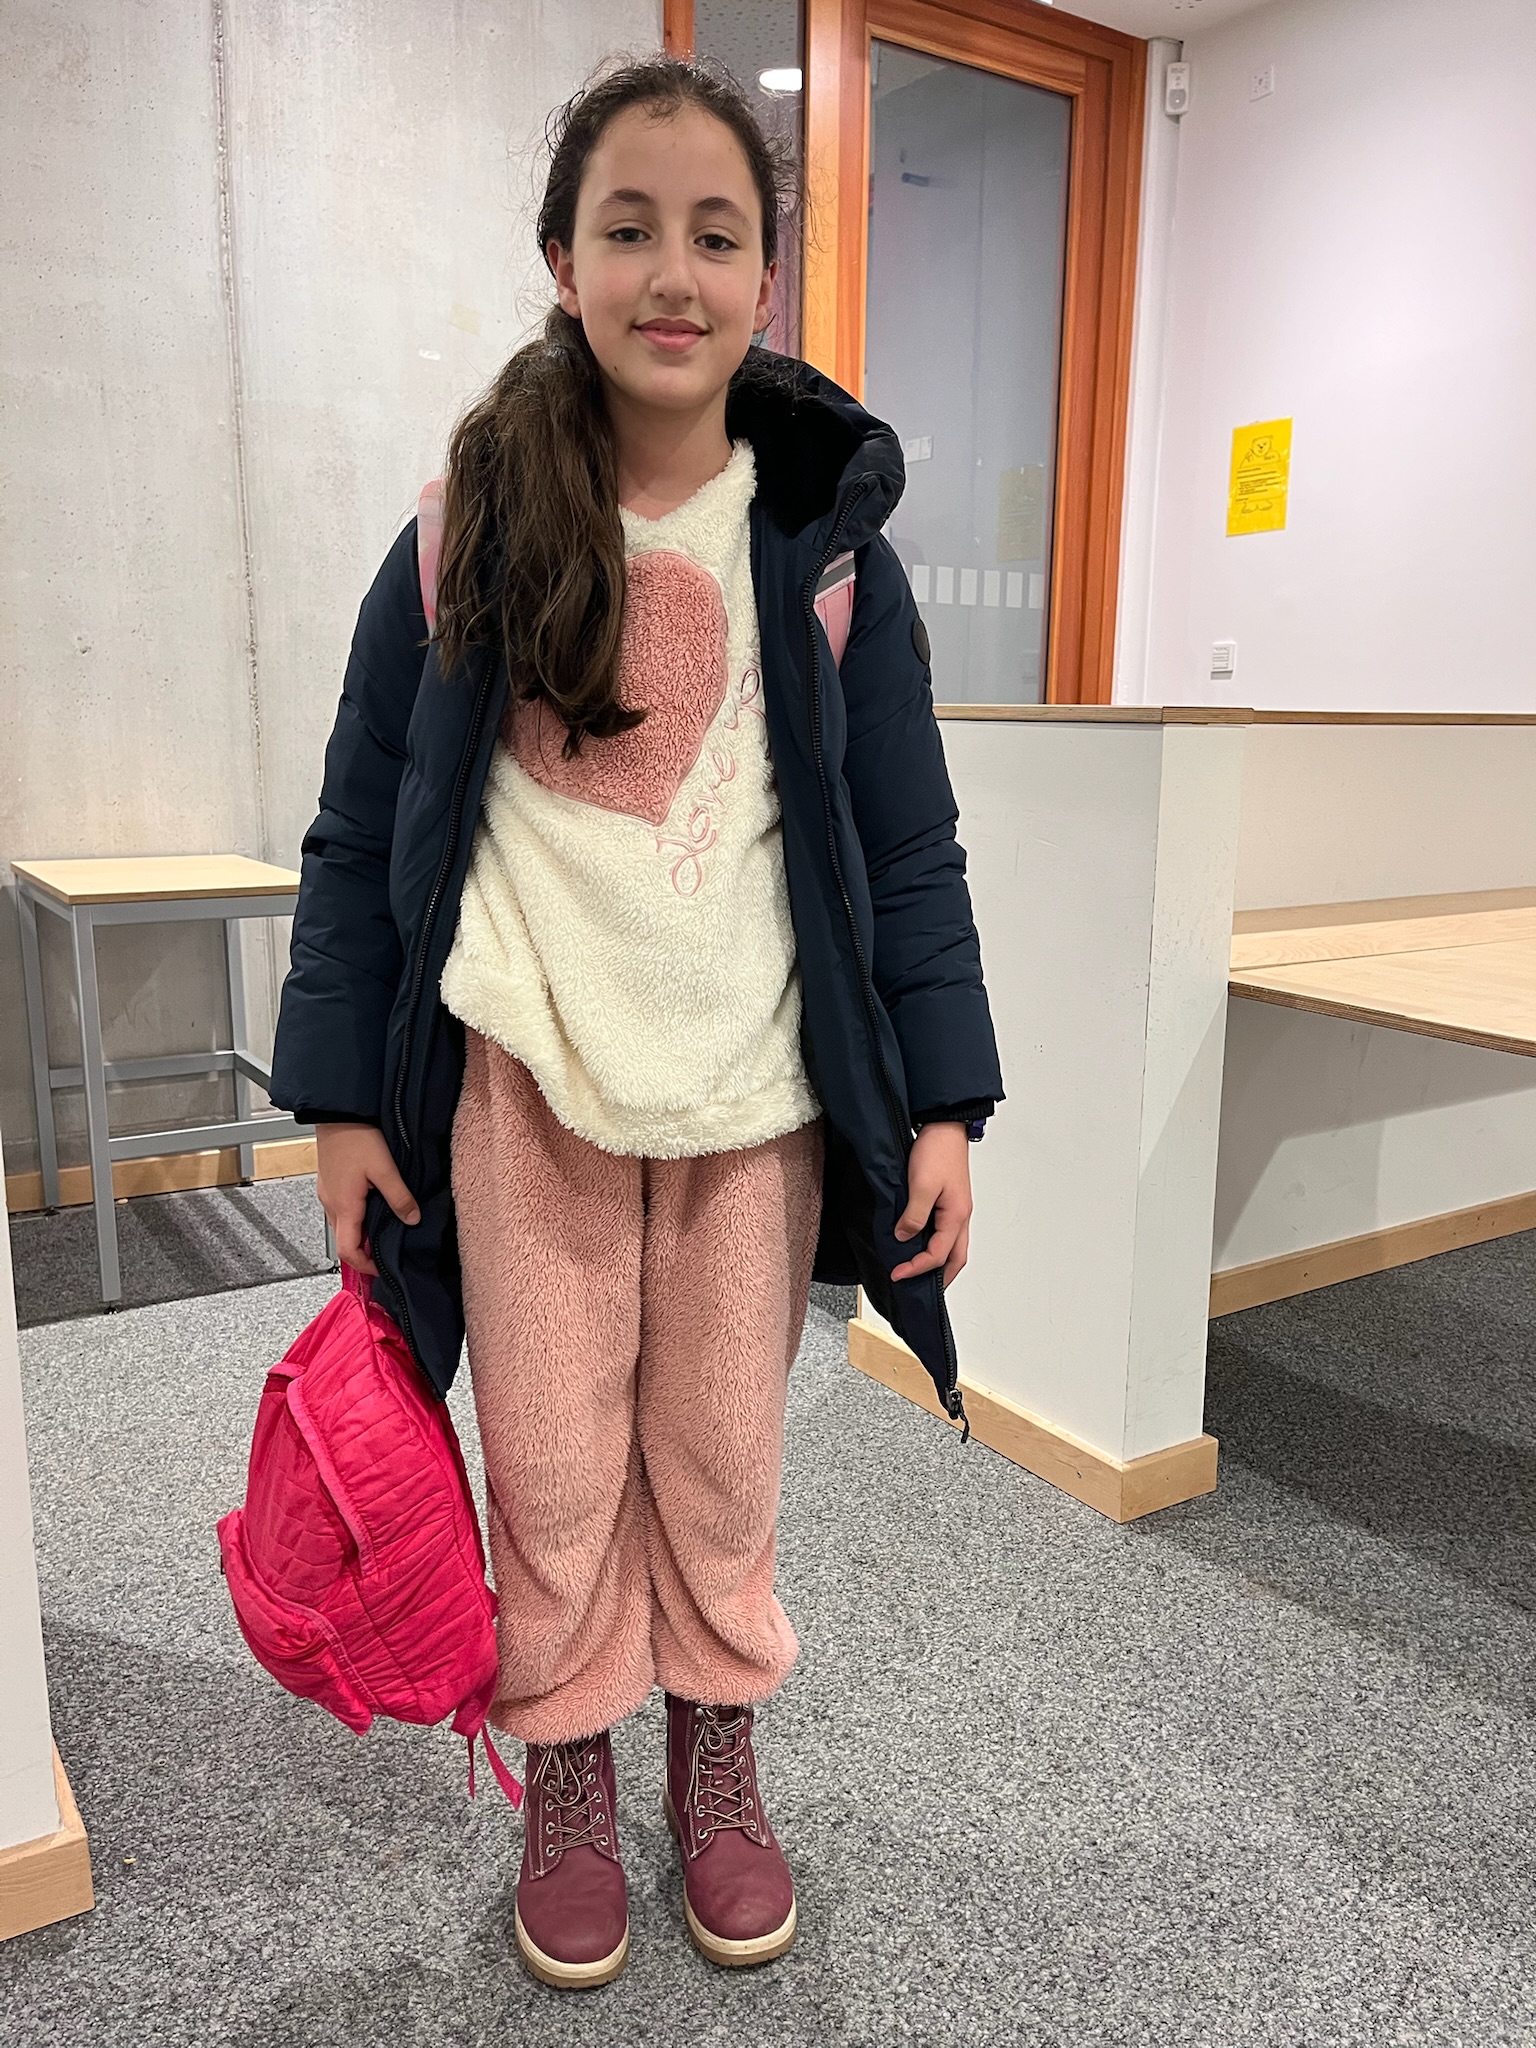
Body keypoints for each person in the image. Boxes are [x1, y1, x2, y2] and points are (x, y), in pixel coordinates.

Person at [269, 53, 1002, 1992]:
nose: (674, 272)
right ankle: (572, 1757)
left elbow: (907, 845)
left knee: (718, 1449)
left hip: (753, 1097)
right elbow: (360, 823)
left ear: (766, 275)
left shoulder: (828, 552)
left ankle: (718, 1735)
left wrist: (944, 1100)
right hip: (529, 1090)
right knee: (554, 1454)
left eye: (717, 233)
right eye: (629, 227)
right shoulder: (468, 531)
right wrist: (341, 1098)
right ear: (560, 260)